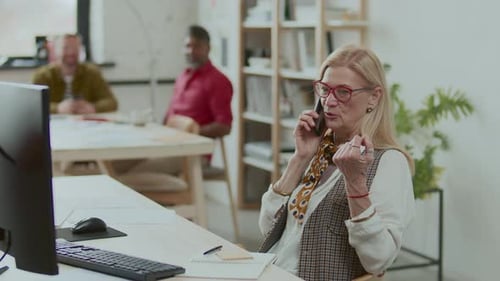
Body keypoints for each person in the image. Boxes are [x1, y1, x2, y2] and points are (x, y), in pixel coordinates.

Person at [258, 45, 415, 281]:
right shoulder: (319, 149)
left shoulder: (389, 163)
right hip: (270, 272)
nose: (329, 101)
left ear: (374, 96)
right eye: (325, 89)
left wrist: (355, 182)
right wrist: (299, 158)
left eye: (343, 92)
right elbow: (267, 229)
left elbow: (379, 260)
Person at [165, 24, 233, 139]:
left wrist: (191, 133)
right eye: (187, 46)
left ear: (208, 48)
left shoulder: (218, 81)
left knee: (145, 157)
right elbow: (169, 113)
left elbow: (224, 126)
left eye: (197, 46)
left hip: (193, 149)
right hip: (170, 142)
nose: (191, 51)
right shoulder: (182, 76)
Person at [32, 33, 118, 114]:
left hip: (85, 125)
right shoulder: (43, 75)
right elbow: (33, 105)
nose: (71, 52)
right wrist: (58, 108)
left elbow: (111, 102)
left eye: (75, 48)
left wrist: (93, 107)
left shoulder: (92, 73)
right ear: (55, 50)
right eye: (66, 48)